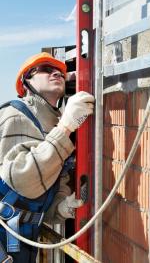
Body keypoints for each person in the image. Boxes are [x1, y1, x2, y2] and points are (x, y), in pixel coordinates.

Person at [0, 52, 95, 262]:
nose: (56, 73)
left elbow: (38, 200)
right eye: (45, 69)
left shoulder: (48, 125)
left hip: (19, 240)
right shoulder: (16, 116)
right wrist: (65, 127)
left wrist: (61, 208)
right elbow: (22, 180)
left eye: (60, 72)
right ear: (26, 81)